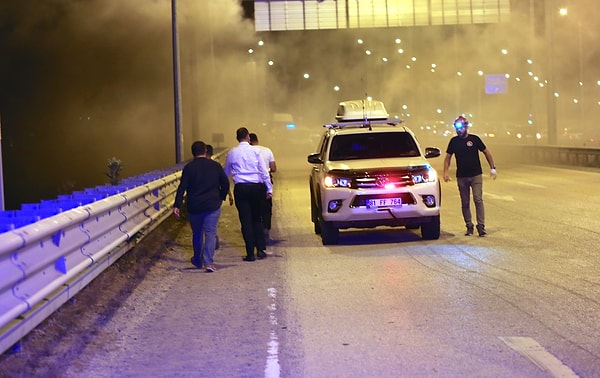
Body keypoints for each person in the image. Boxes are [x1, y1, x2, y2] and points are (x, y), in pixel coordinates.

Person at [173, 141, 230, 272]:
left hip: (194, 206)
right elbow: (225, 183)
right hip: (212, 205)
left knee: (197, 233)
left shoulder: (189, 168)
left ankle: (198, 260)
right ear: (205, 151)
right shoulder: (215, 166)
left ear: (193, 152)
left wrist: (177, 205)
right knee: (210, 233)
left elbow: (182, 188)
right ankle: (209, 262)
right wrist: (221, 197)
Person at [224, 127, 273, 261]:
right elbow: (264, 171)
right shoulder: (256, 151)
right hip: (257, 187)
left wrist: (224, 191)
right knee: (257, 218)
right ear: (248, 137)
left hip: (241, 188)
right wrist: (269, 189)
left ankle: (250, 253)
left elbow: (226, 173)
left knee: (245, 221)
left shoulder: (232, 153)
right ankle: (261, 250)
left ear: (237, 138)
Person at [443, 115, 497, 237]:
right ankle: (469, 226)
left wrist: (492, 167)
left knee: (478, 199)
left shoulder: (474, 139)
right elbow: (447, 158)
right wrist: (445, 172)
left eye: (461, 127)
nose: (459, 130)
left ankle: (481, 226)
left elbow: (486, 152)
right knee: (465, 202)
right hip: (462, 177)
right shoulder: (454, 141)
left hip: (476, 175)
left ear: (466, 127)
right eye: (457, 128)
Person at [249, 132, 277, 244]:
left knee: (253, 207)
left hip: (252, 182)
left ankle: (254, 232)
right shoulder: (267, 150)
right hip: (265, 182)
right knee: (266, 207)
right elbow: (274, 168)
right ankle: (266, 228)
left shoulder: (248, 153)